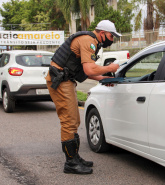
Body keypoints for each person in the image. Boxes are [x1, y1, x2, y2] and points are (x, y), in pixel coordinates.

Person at [45, 20, 121, 175]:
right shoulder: (88, 41)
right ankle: (70, 163)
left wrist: (104, 78)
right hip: (61, 81)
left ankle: (75, 157)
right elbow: (89, 68)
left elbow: (86, 71)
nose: (112, 39)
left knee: (75, 120)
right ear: (102, 33)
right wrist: (110, 68)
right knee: (69, 121)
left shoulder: (91, 41)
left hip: (66, 81)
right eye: (111, 36)